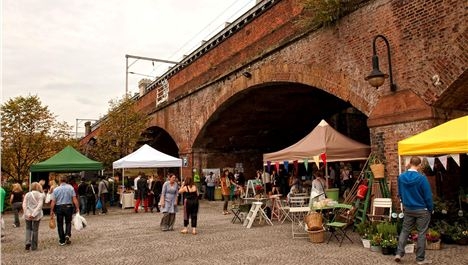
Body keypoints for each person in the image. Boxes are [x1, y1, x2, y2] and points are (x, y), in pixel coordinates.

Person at [395, 156, 433, 265]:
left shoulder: (401, 177)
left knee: (405, 231)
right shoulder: (422, 178)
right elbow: (428, 196)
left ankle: (399, 253)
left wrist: (405, 203)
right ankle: (420, 259)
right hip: (422, 210)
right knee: (421, 233)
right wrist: (430, 208)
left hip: (408, 209)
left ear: (409, 163)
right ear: (419, 165)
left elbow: (400, 193)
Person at [50, 175, 80, 246]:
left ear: (60, 180)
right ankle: (67, 234)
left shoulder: (56, 189)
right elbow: (74, 199)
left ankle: (62, 240)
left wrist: (51, 210)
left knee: (60, 224)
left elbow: (53, 201)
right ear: (66, 180)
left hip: (59, 207)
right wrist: (77, 207)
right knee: (68, 222)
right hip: (68, 207)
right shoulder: (70, 188)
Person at [22, 182, 45, 251]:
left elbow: (24, 204)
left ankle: (27, 242)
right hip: (37, 215)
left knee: (28, 228)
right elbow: (39, 206)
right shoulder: (40, 195)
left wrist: (27, 213)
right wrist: (33, 214)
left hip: (27, 214)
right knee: (35, 230)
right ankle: (34, 246)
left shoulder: (27, 194)